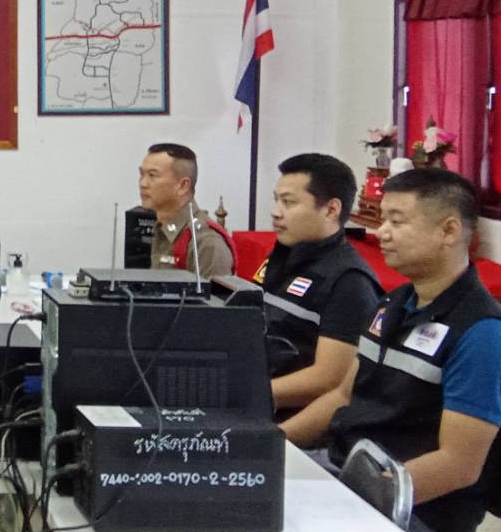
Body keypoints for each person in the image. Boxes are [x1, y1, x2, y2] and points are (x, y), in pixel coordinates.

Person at [282, 168, 501, 532]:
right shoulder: (394, 303)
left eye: (397, 221)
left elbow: (459, 464)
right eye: (382, 219)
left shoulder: (482, 331)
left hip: (419, 519)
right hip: (348, 477)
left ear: (449, 230)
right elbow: (343, 396)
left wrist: (355, 503)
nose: (381, 232)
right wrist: (273, 443)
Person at [258, 153, 383, 414]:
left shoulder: (349, 281)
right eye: (276, 200)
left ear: (331, 210)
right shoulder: (283, 256)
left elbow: (329, 380)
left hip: (291, 420)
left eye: (288, 202)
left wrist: (246, 393)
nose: (276, 212)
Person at [138, 143, 235, 279]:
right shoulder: (163, 228)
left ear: (183, 185)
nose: (142, 183)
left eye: (152, 175)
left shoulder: (207, 243)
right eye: (142, 174)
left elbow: (212, 294)